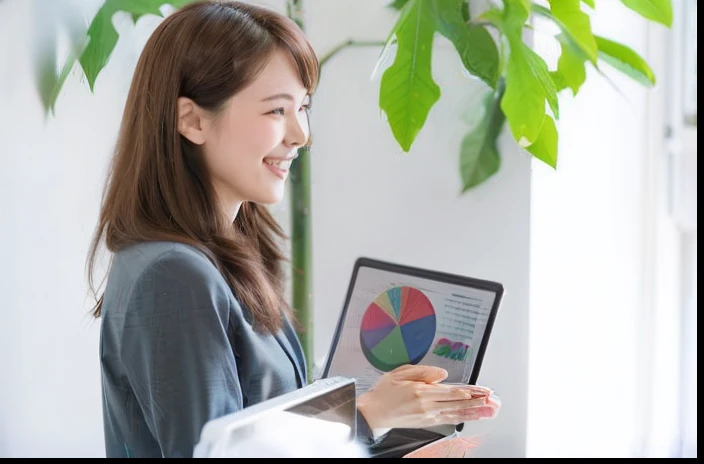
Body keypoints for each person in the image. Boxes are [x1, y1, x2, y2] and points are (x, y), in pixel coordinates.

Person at [86, 0, 500, 458]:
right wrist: (369, 417)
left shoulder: (216, 255)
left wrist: (375, 414)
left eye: (302, 107)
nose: (300, 134)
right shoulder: (175, 273)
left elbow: (260, 436)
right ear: (192, 120)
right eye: (276, 111)